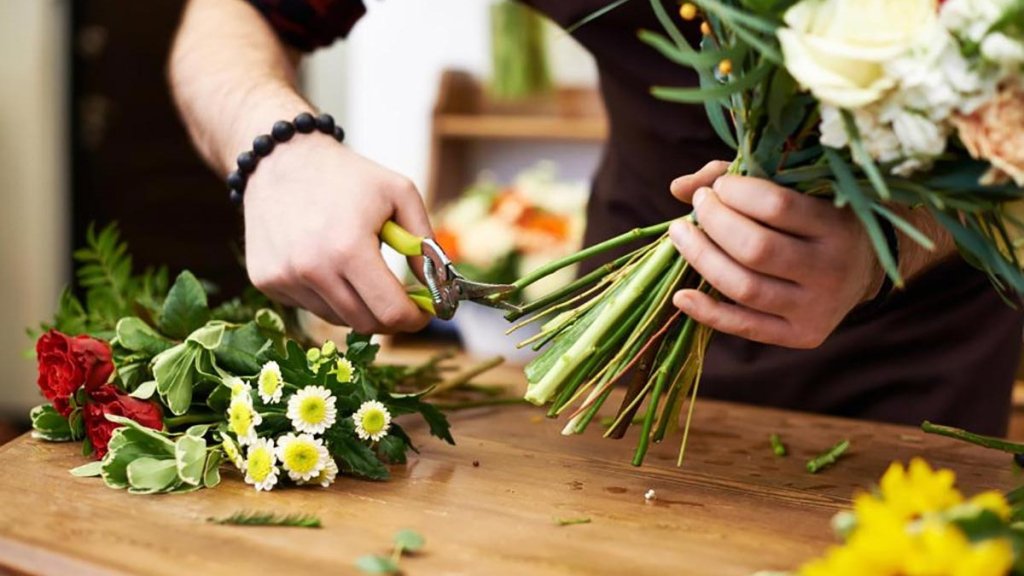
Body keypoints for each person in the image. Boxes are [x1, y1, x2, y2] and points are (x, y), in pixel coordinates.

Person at [169, 0, 1024, 434]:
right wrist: (276, 147)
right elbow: (230, 16)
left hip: (907, 370)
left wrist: (893, 242)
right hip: (618, 353)